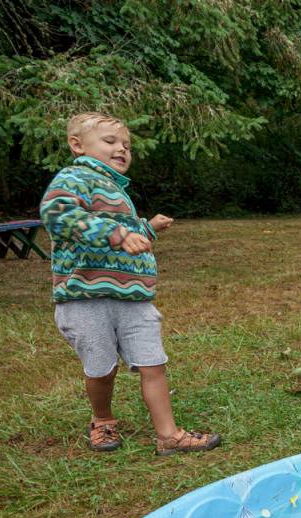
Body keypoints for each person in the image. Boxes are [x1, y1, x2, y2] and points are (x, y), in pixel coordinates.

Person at [40, 112, 221, 456]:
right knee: (101, 369)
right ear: (77, 145)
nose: (122, 149)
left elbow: (128, 238)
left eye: (126, 144)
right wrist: (117, 233)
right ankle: (102, 420)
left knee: (153, 363)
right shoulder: (75, 177)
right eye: (110, 142)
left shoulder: (115, 190)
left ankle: (169, 436)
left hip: (133, 297)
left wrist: (147, 228)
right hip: (87, 297)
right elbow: (57, 213)